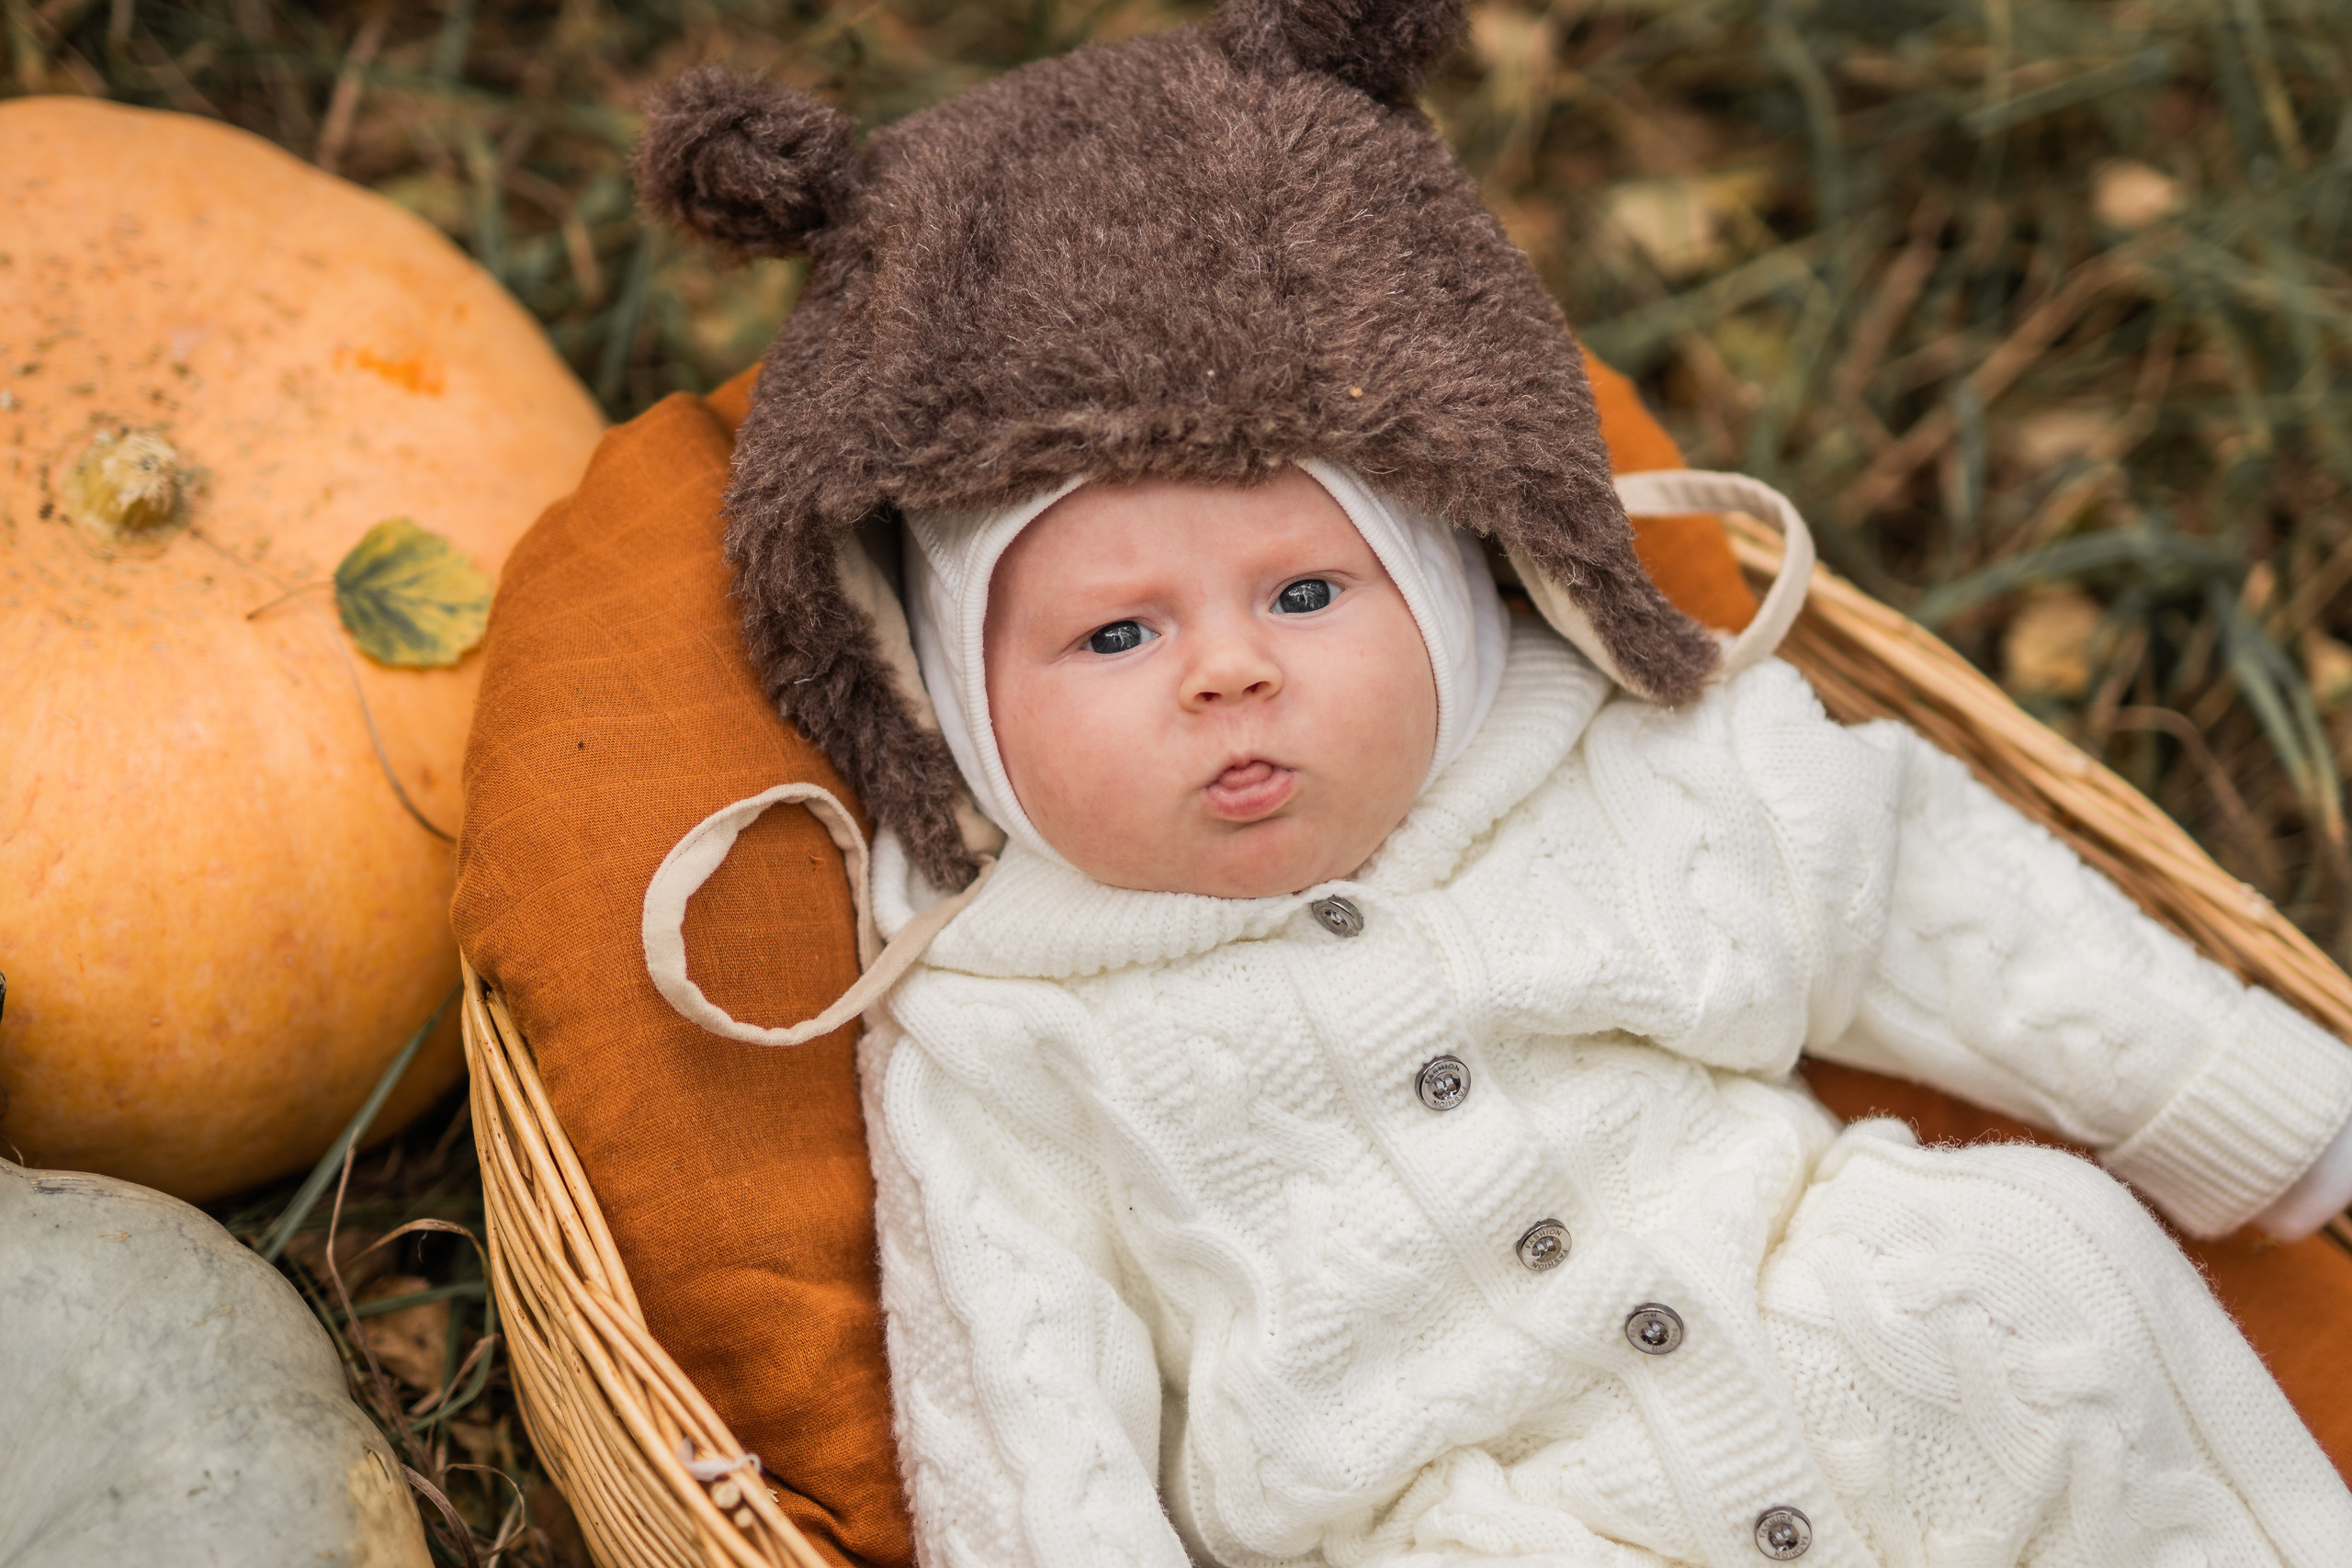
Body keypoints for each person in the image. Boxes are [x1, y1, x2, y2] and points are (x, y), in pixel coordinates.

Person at [629, 2, 2352, 1561]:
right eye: (1113, 638)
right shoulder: (1002, 1026)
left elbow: (1944, 908)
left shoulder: (1625, 764)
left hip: (1833, 1343)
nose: (1229, 670)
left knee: (2052, 1274)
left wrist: (2269, 1112)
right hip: (1460, 1518)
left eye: (1308, 594)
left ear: (1451, 596)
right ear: (955, 714)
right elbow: (1025, 1410)